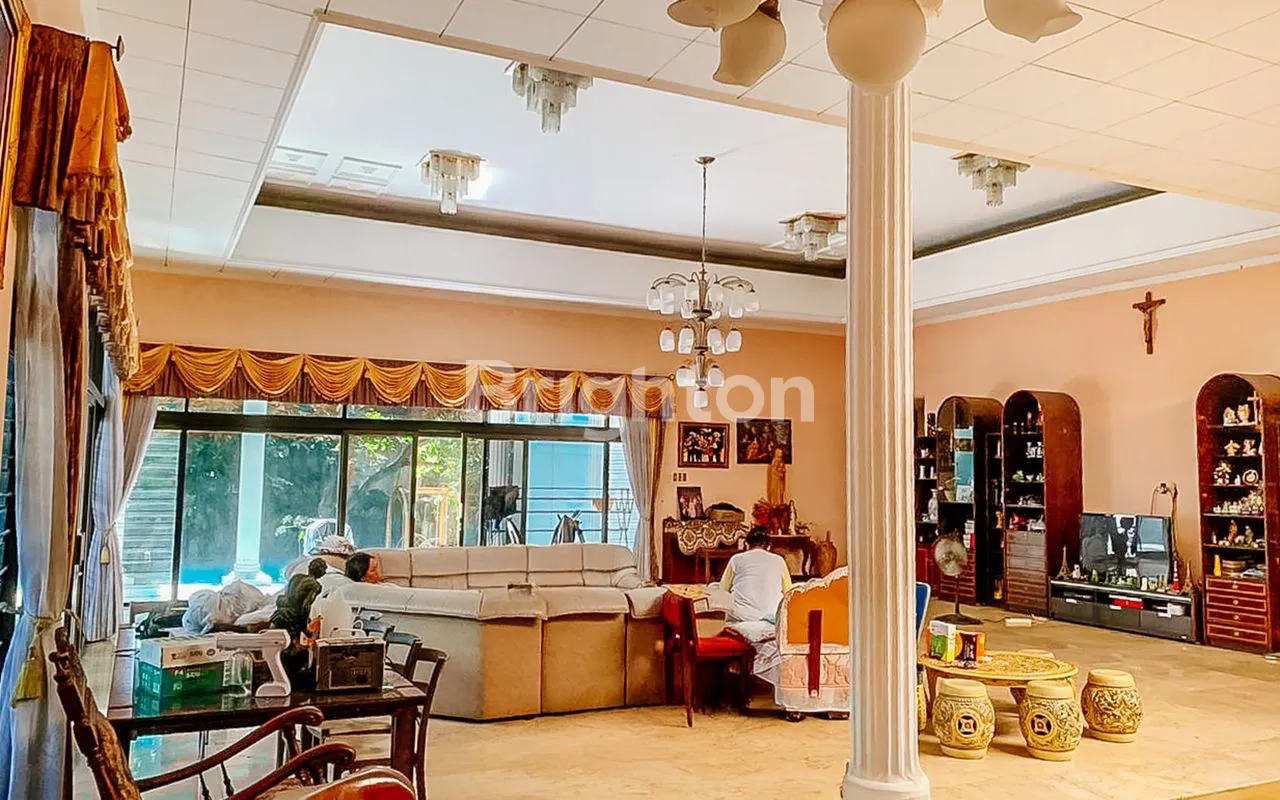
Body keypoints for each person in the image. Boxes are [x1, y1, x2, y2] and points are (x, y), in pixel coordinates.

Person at [721, 527, 792, 624]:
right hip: (773, 615)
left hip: (742, 615)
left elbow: (724, 589)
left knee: (715, 588)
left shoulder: (736, 559)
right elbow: (788, 591)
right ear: (768, 546)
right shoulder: (779, 560)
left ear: (746, 544)